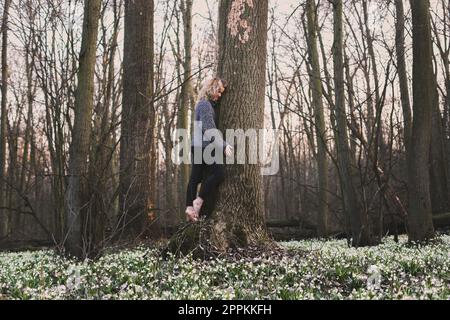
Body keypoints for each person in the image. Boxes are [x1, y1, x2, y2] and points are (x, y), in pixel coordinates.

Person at [185, 77, 233, 222]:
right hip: (204, 147)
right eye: (218, 91)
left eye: (221, 92)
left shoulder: (204, 104)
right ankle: (198, 201)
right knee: (218, 174)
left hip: (199, 146)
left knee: (196, 177)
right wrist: (223, 145)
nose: (219, 95)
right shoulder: (205, 105)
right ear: (211, 89)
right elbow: (208, 128)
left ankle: (189, 207)